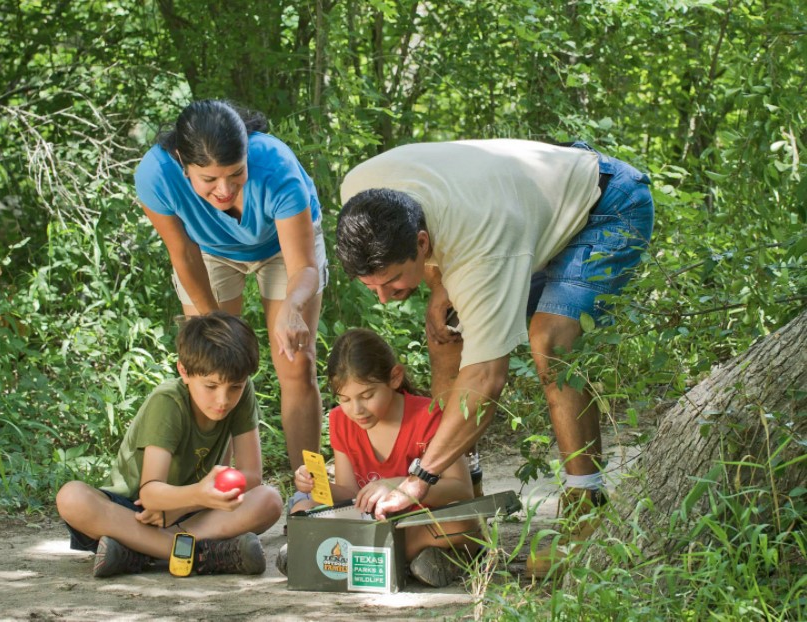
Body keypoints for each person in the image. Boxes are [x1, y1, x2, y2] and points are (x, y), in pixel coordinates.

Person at [336, 139, 654, 578]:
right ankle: (461, 491)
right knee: (446, 330)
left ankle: (586, 510)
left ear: (422, 243)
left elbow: (487, 380)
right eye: (371, 287)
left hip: (604, 206)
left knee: (551, 339)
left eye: (391, 282)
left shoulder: (484, 247)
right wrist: (439, 286)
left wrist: (415, 480)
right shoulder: (359, 195)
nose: (385, 300)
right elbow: (440, 217)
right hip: (519, 214)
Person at [135, 99, 326, 472]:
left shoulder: (275, 166)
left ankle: (311, 493)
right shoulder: (155, 174)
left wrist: (292, 305)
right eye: (208, 179)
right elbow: (184, 255)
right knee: (211, 366)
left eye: (236, 174)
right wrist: (215, 327)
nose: (224, 190)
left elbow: (304, 266)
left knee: (297, 363)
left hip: (280, 249)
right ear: (183, 163)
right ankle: (215, 492)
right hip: (208, 249)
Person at [56, 311, 283, 578]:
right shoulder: (168, 401)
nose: (223, 399)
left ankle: (138, 551)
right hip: (137, 511)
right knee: (72, 497)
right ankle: (202, 555)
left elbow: (252, 475)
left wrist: (189, 503)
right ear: (184, 371)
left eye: (235, 386)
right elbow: (150, 493)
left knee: (269, 500)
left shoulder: (242, 393)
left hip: (193, 511)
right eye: (210, 386)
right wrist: (196, 495)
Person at [276, 328, 476, 587]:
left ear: (394, 378)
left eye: (367, 395)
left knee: (463, 524)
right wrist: (317, 485)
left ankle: (324, 554)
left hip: (418, 522)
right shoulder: (341, 420)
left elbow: (461, 490)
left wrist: (398, 484)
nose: (356, 410)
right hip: (369, 523)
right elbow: (349, 491)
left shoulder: (429, 416)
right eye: (345, 399)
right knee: (302, 509)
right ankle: (413, 560)